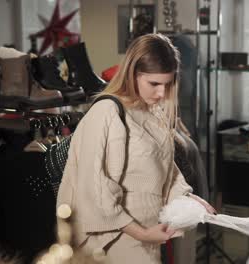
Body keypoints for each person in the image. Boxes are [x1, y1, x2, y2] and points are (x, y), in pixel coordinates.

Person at [56, 34, 215, 263]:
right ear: (132, 74)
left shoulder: (152, 114)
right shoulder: (106, 114)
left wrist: (189, 198)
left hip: (145, 239)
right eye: (154, 84)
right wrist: (142, 234)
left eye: (167, 84)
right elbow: (94, 189)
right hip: (113, 242)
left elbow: (166, 172)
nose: (161, 93)